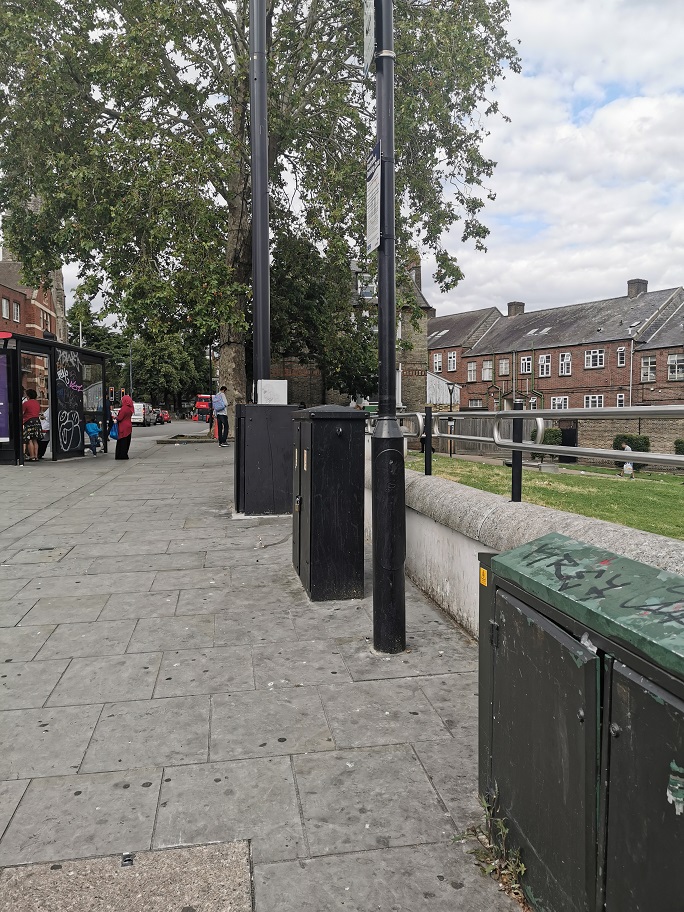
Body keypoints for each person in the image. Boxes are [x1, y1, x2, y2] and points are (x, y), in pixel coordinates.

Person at [22, 389, 42, 462]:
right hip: (36, 421)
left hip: (28, 421)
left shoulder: (26, 403)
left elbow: (22, 413)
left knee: (29, 439)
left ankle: (32, 456)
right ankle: (36, 456)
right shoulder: (37, 403)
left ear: (28, 395)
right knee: (35, 440)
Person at [114, 395, 134, 460]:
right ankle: (124, 454)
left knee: (122, 441)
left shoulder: (124, 408)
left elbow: (120, 418)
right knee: (127, 441)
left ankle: (120, 455)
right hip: (129, 426)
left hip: (123, 426)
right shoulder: (130, 408)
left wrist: (115, 418)